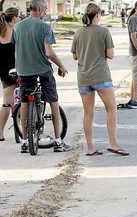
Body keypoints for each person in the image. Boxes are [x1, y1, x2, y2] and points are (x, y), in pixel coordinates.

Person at [11, 0, 70, 153]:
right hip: (43, 70)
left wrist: (19, 66)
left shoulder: (17, 27)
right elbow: (49, 52)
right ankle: (58, 141)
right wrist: (61, 66)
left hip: (23, 71)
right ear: (38, 9)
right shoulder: (45, 27)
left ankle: (24, 141)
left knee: (24, 102)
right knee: (53, 101)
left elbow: (16, 51)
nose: (45, 11)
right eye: (44, 9)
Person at [71, 3, 128, 157]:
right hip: (100, 76)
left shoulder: (78, 33)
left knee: (88, 114)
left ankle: (90, 148)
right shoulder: (103, 31)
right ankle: (112, 143)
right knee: (111, 109)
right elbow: (110, 54)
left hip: (83, 77)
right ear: (97, 15)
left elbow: (75, 56)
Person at [0, 6, 20, 141]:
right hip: (14, 70)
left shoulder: (0, 32)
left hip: (2, 71)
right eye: (18, 17)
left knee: (7, 102)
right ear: (13, 18)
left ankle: (0, 133)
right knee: (16, 101)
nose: (19, 19)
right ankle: (21, 132)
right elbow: (18, 54)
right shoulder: (14, 32)